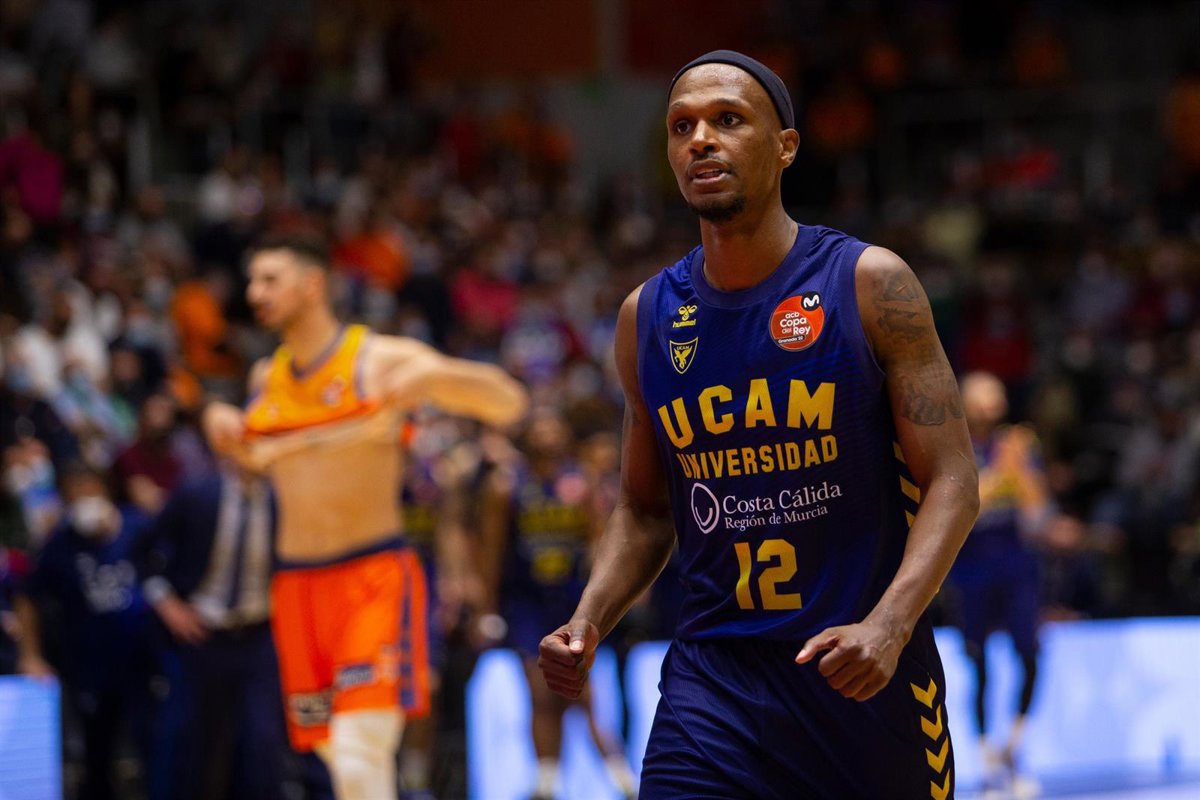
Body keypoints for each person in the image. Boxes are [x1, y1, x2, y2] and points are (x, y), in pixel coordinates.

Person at [538, 50, 980, 799]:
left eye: (728, 120)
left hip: (858, 671)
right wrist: (588, 620)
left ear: (786, 146)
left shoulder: (870, 284)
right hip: (713, 687)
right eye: (682, 126)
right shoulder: (647, 316)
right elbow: (645, 509)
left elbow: (955, 480)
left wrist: (891, 623)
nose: (701, 140)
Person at [202, 233, 528, 800]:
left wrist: (439, 379)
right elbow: (260, 461)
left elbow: (510, 402)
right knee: (337, 757)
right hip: (297, 588)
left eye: (270, 280)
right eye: (252, 281)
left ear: (312, 284)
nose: (254, 293)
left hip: (370, 579)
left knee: (359, 753)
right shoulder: (265, 378)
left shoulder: (378, 359)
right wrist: (219, 424)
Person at [481, 410, 636, 800]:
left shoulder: (579, 481)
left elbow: (598, 538)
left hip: (571, 598)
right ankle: (546, 783)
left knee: (583, 694)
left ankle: (622, 779)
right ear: (527, 437)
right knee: (539, 693)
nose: (547, 432)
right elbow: (492, 550)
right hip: (526, 601)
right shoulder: (506, 485)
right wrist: (485, 608)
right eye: (540, 427)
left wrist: (602, 595)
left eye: (553, 426)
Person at [138, 462, 292, 800]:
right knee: (191, 743)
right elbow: (142, 550)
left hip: (260, 635)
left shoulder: (284, 498)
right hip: (201, 634)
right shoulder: (197, 492)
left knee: (263, 744)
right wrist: (168, 604)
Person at [15, 463, 155, 800]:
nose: (84, 500)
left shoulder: (138, 525)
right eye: (74, 494)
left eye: (89, 490)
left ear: (106, 490)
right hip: (88, 666)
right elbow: (28, 596)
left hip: (143, 660)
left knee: (153, 745)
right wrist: (31, 654)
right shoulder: (59, 543)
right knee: (96, 753)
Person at [946, 372, 1051, 797]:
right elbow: (961, 505)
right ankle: (988, 760)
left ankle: (1014, 747)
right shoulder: (951, 445)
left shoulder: (1017, 446)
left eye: (997, 395)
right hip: (969, 566)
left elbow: (1037, 509)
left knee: (1029, 654)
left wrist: (1021, 467)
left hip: (1014, 563)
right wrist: (1000, 473)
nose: (991, 404)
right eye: (983, 396)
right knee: (978, 664)